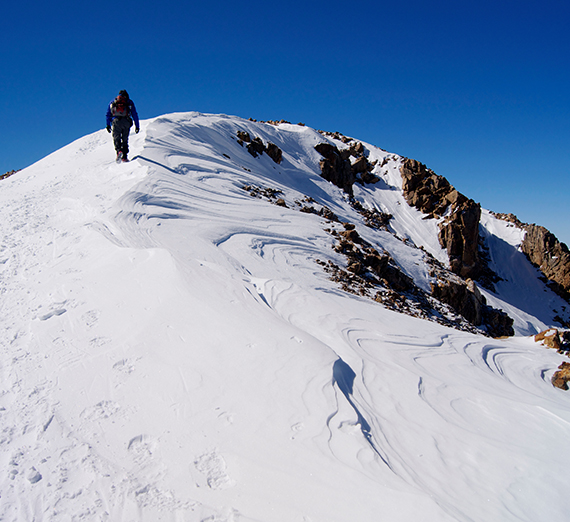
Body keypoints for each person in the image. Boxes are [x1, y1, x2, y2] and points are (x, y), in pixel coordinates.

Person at [106, 90, 140, 162]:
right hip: (126, 122)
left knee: (116, 138)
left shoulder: (113, 101)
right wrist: (137, 126)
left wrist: (108, 125)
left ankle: (118, 151)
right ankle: (124, 156)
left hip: (116, 121)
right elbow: (134, 114)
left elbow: (108, 113)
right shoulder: (129, 102)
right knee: (125, 139)